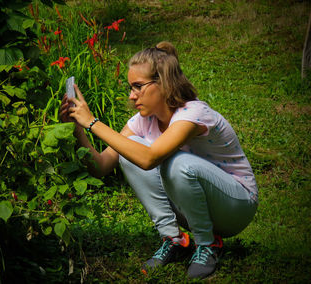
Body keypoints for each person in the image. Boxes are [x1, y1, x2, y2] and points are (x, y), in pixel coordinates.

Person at [59, 41, 258, 279]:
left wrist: (92, 122)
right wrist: (77, 129)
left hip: (236, 205)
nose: (132, 96)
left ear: (163, 83)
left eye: (138, 87)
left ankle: (207, 244)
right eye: (131, 88)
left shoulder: (193, 114)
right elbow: (101, 166)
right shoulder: (142, 122)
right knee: (129, 152)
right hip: (194, 205)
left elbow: (149, 159)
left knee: (178, 164)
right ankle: (175, 240)